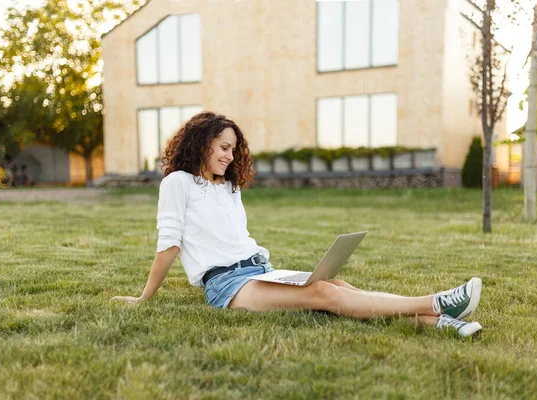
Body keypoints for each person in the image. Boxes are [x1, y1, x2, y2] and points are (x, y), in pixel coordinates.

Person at [112, 112, 483, 338]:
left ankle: (437, 323)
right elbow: (169, 245)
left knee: (336, 286)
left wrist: (270, 272)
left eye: (232, 149)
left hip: (261, 270)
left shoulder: (228, 187)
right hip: (227, 285)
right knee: (326, 296)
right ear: (200, 143)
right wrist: (144, 298)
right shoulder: (177, 182)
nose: (229, 156)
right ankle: (439, 303)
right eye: (223, 147)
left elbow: (238, 238)